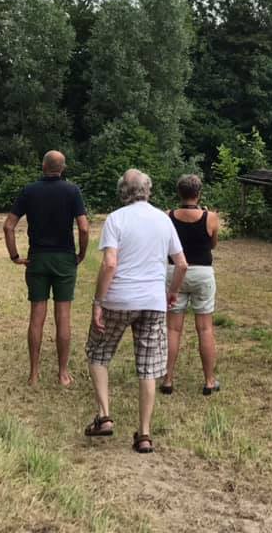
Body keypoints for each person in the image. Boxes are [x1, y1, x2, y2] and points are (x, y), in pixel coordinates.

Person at [84, 169, 188, 453]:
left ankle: (104, 416)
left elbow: (110, 263)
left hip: (118, 299)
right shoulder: (163, 219)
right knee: (148, 367)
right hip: (152, 302)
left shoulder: (116, 219)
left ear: (123, 191)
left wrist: (98, 302)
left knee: (98, 353)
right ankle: (144, 434)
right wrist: (172, 292)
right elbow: (181, 264)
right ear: (148, 190)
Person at [4, 150, 89, 387]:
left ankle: (34, 373)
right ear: (63, 168)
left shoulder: (29, 191)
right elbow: (83, 228)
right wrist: (81, 254)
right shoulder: (72, 191)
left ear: (43, 167)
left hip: (37, 259)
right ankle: (63, 373)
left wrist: (15, 256)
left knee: (36, 317)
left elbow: (8, 226)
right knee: (63, 317)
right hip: (64, 259)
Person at [160, 174, 220, 396]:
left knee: (173, 329)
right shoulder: (210, 217)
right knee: (205, 328)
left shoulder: (168, 216)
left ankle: (168, 379)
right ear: (199, 193)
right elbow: (212, 244)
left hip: (175, 271)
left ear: (179, 193)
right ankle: (209, 381)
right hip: (202, 273)